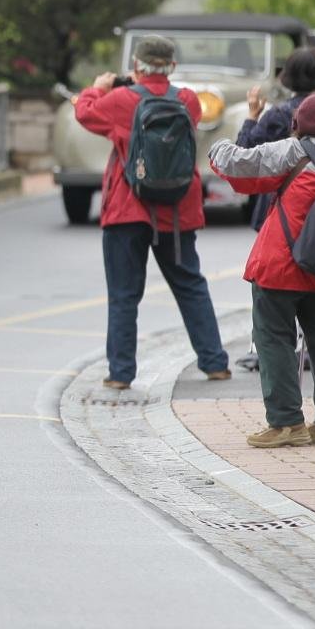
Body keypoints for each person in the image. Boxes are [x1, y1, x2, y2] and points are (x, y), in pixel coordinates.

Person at [208, 93, 315, 448]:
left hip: (284, 263)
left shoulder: (293, 152)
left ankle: (286, 423)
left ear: (298, 124)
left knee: (273, 337)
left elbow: (238, 168)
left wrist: (216, 145)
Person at [74, 35, 231, 390]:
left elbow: (85, 112)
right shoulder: (188, 100)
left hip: (128, 208)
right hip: (177, 209)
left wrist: (98, 87)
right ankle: (215, 363)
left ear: (135, 65)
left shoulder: (121, 100)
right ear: (172, 66)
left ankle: (121, 373)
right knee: (190, 285)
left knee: (124, 294)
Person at [238, 46, 315, 231]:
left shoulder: (278, 114)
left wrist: (252, 116)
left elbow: (242, 154)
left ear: (288, 77)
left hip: (281, 211)